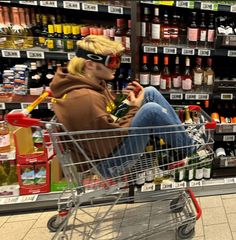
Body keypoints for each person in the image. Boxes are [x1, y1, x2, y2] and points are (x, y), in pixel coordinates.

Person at [50, 35, 194, 178]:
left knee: (150, 92)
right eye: (111, 61)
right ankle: (192, 151)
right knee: (151, 111)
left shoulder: (93, 84)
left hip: (107, 147)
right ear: (90, 64)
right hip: (105, 165)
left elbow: (110, 117)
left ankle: (185, 142)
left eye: (118, 61)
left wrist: (125, 102)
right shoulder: (85, 97)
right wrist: (134, 108)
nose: (116, 67)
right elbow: (111, 139)